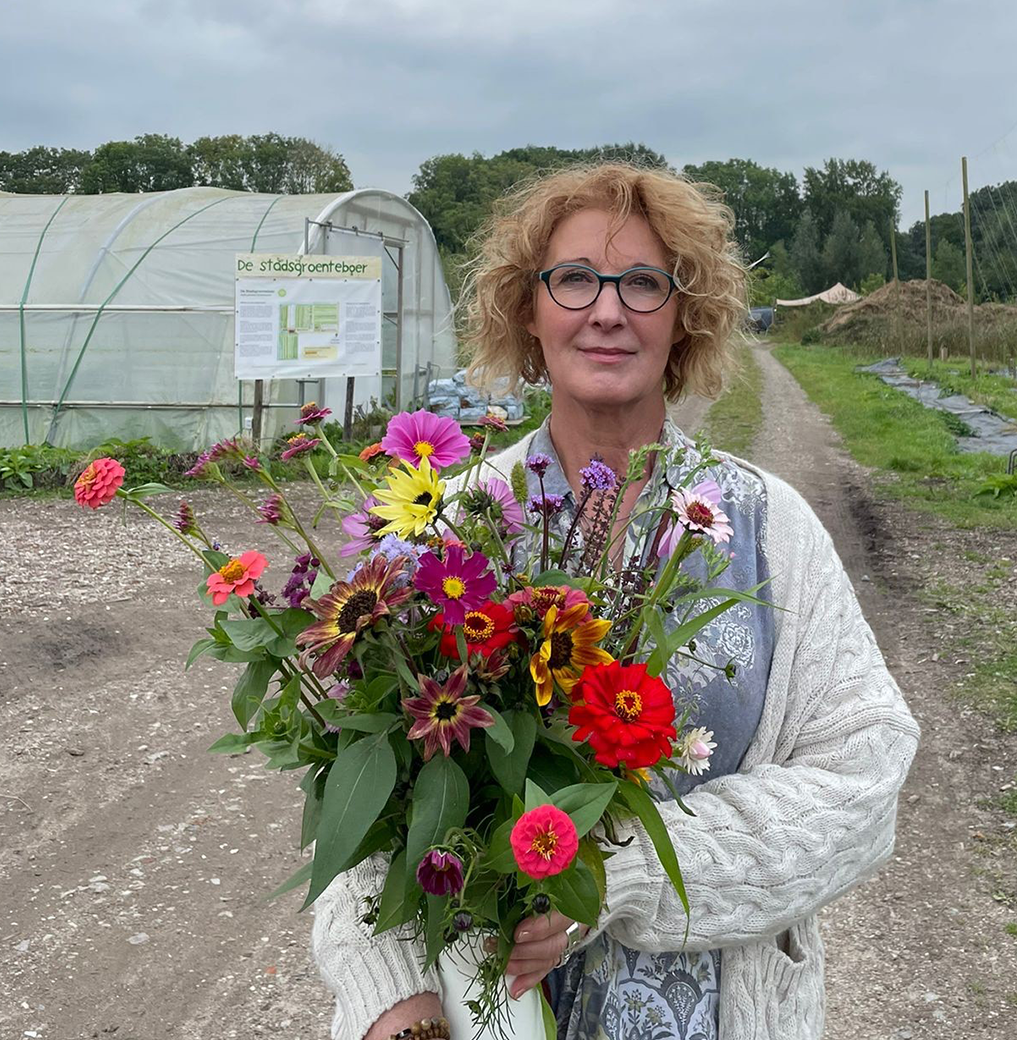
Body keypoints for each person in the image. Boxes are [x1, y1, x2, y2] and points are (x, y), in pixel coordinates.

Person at [310, 163, 920, 1040]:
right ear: (528, 308)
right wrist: (391, 995)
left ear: (684, 316)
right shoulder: (446, 524)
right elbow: (367, 803)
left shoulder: (764, 527)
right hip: (481, 1012)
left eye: (643, 283)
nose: (607, 310)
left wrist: (608, 874)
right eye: (574, 280)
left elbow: (864, 773)